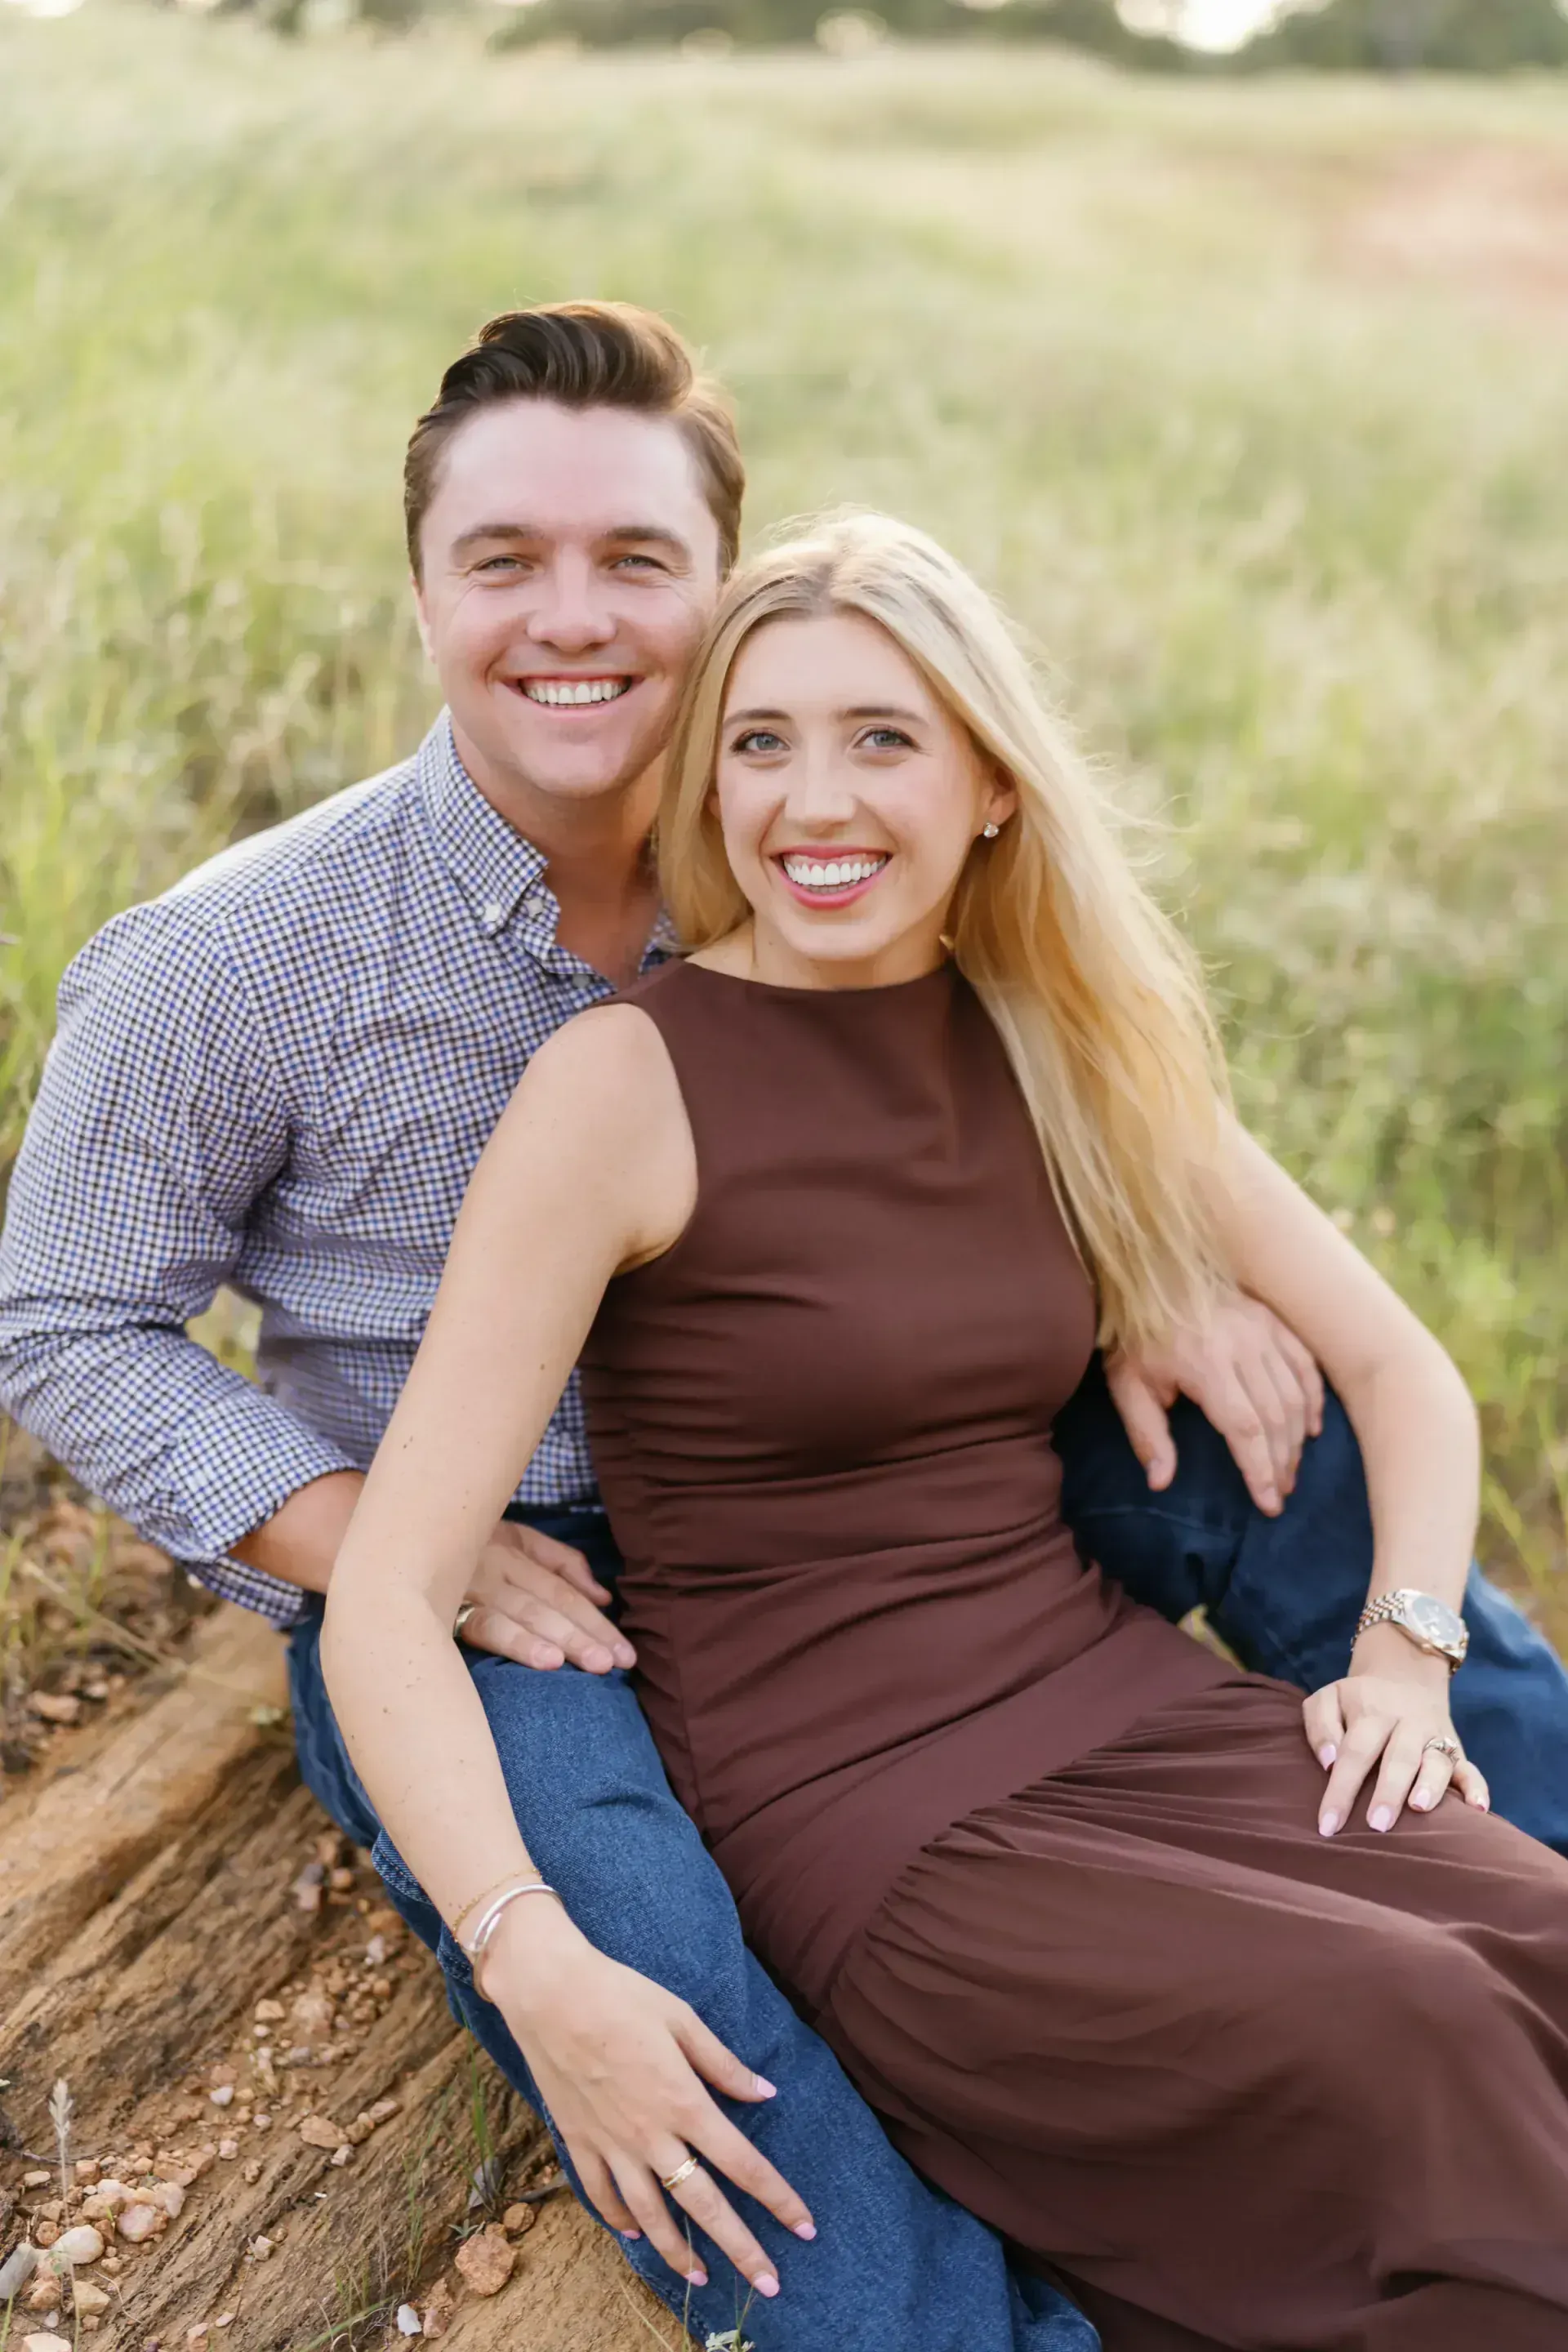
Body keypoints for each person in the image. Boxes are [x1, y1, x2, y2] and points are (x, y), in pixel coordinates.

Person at [1, 305, 1564, 2349]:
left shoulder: (813, 862)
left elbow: (949, 1109)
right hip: (503, 1570)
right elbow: (61, 1321)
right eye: (505, 562)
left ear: (714, 598)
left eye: (636, 563)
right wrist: (379, 1531)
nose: (574, 617)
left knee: (1300, 1459)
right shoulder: (244, 960)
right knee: (648, 1976)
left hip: (894, 1483)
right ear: (421, 594)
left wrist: (1149, 1258)